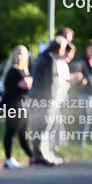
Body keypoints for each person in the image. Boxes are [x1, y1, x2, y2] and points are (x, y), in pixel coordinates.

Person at [28, 36, 67, 166]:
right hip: (43, 98)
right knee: (42, 127)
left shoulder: (41, 57)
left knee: (38, 127)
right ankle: (39, 155)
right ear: (58, 48)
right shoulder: (50, 59)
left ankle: (38, 154)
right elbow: (50, 81)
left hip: (36, 96)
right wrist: (51, 99)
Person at [1, 45, 33, 168]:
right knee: (11, 132)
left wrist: (30, 80)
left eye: (22, 54)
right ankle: (8, 159)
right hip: (14, 105)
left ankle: (32, 156)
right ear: (13, 56)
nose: (19, 57)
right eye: (17, 54)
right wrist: (29, 81)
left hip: (24, 105)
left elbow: (29, 83)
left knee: (24, 134)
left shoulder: (25, 71)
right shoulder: (13, 71)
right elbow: (24, 84)